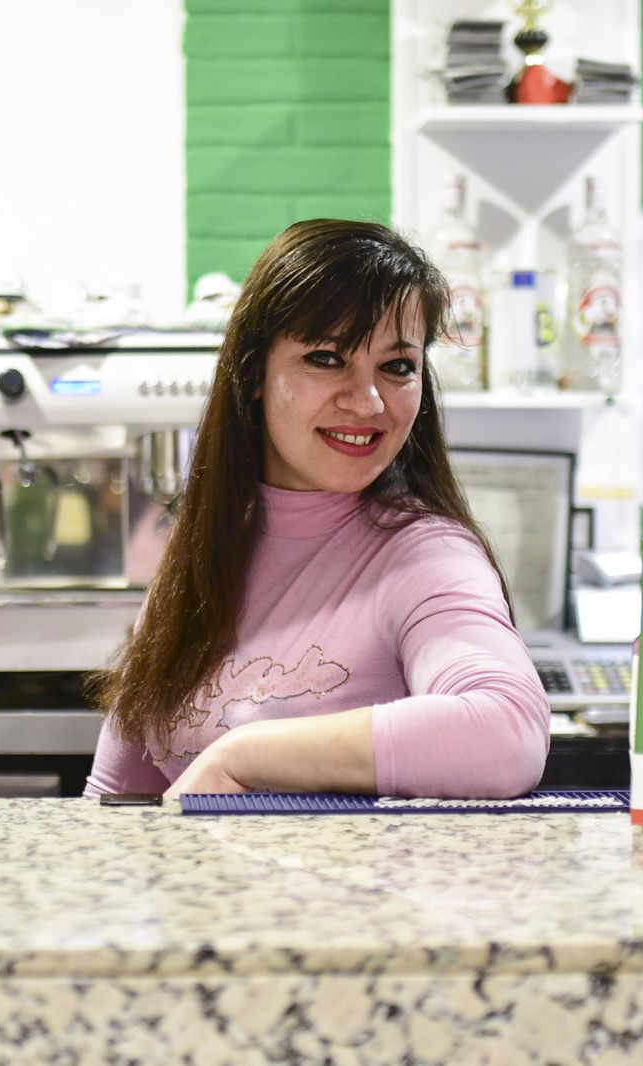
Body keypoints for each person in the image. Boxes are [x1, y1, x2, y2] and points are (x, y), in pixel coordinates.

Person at [84, 219, 550, 800]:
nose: (369, 400)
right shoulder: (201, 552)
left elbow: (506, 731)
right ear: (254, 373)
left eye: (397, 365)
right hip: (200, 893)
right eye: (327, 358)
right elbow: (113, 799)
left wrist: (242, 757)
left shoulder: (424, 555)